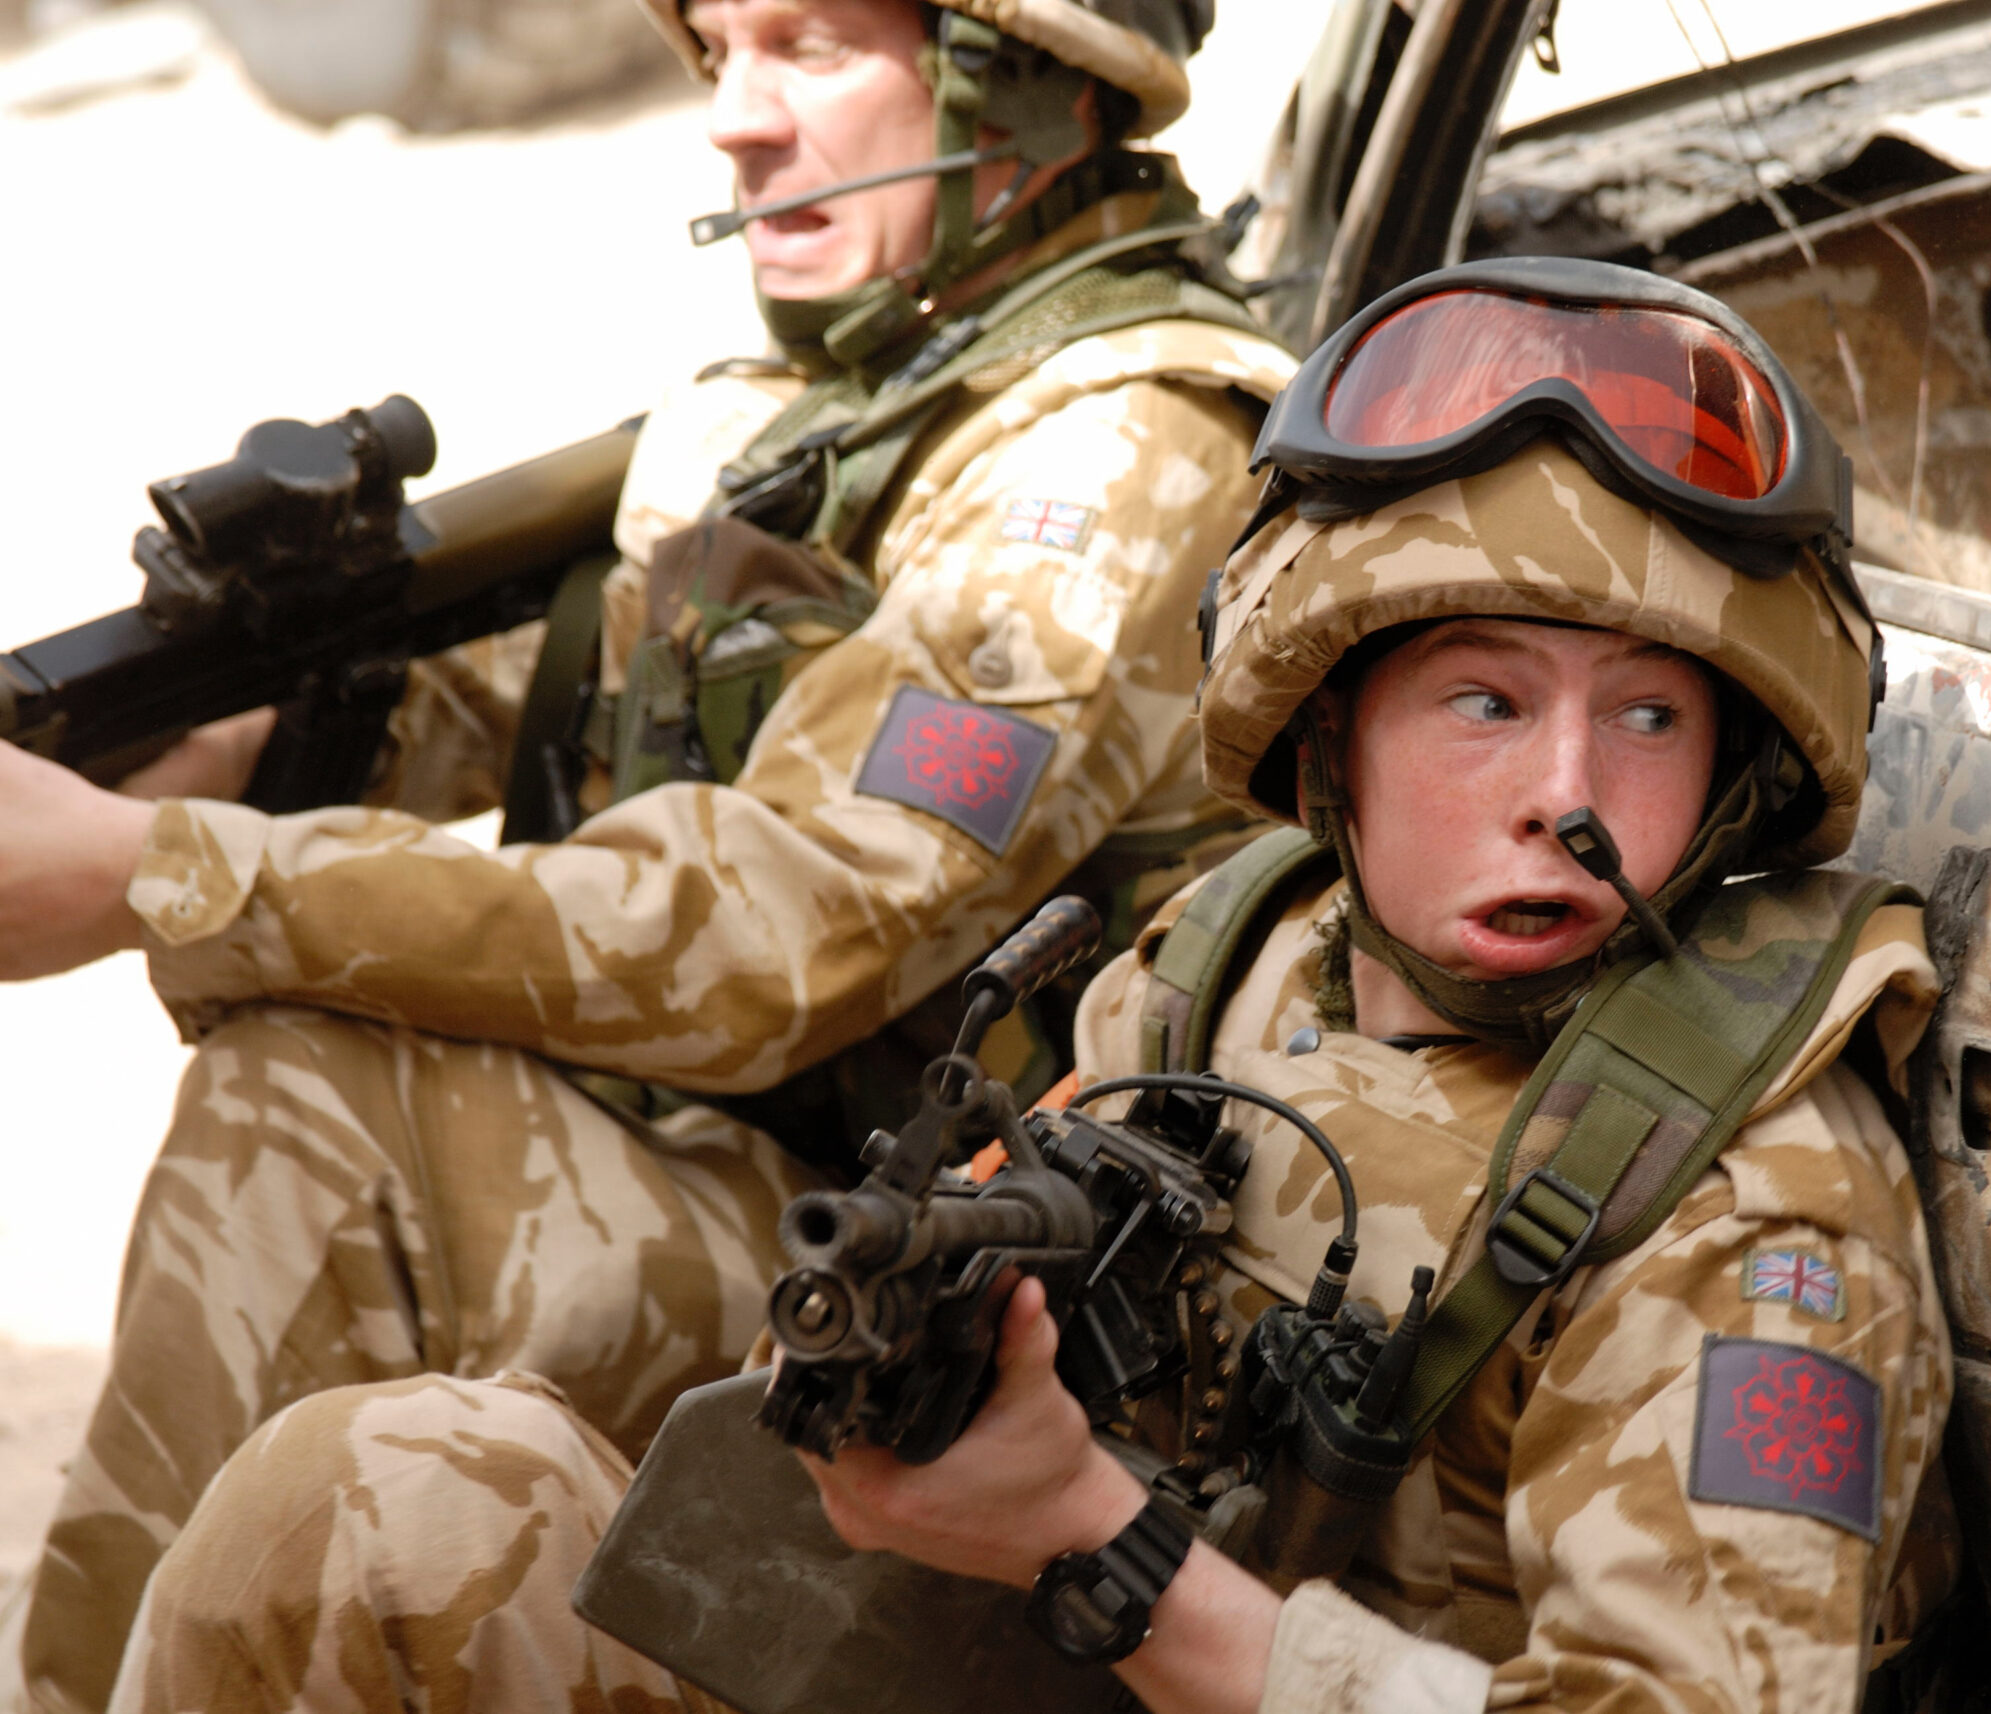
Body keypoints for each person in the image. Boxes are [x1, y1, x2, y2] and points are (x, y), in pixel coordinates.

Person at [106, 259, 1953, 1714]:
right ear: (1333, 730)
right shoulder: (1235, 957)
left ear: (1736, 770)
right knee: (397, 1488)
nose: (1566, 789)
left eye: (1649, 717)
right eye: (1485, 698)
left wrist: (1102, 1544)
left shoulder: (1742, 1207)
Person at [0, 1, 1294, 1706]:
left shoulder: (1118, 447)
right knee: (308, 1064)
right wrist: (228, 743)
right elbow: (585, 704)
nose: (736, 119)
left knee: (307, 1111)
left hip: (940, 1288)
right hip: (765, 1165)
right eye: (721, 48)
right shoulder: (843, 385)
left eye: (811, 45)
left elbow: (782, 927)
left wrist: (166, 868)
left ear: (1028, 82)